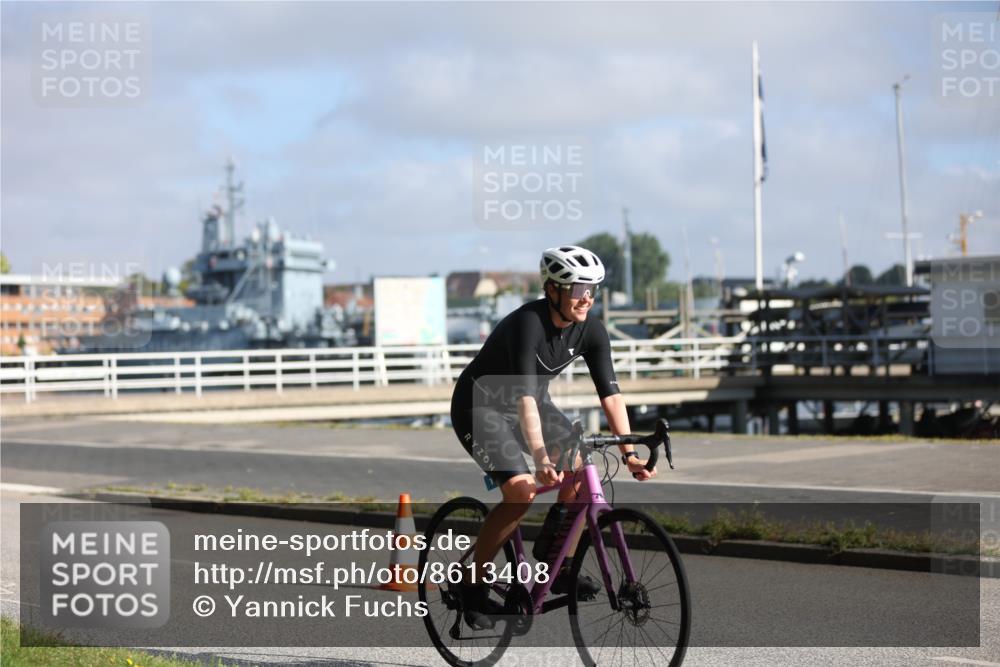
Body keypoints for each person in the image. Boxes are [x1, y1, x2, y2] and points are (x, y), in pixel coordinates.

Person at [450, 245, 657, 629]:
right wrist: (542, 457)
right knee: (521, 492)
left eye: (593, 289)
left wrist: (629, 451)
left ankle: (555, 565)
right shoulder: (528, 325)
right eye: (578, 289)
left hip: (530, 405)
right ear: (552, 290)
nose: (587, 297)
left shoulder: (591, 329)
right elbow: (526, 399)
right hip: (481, 408)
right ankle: (472, 586)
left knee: (580, 468)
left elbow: (610, 395)